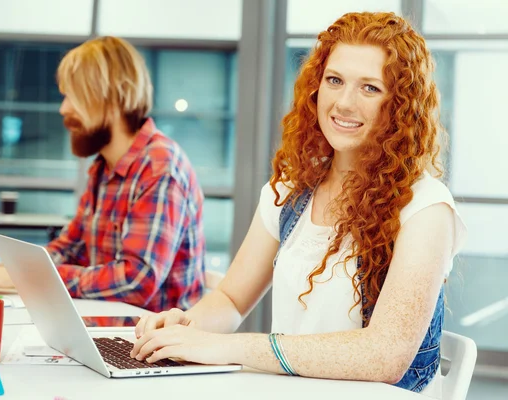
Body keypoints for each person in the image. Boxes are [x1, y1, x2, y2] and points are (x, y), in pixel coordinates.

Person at [130, 12, 466, 397]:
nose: (344, 103)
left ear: (401, 105)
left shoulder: (426, 208)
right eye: (334, 81)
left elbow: (384, 356)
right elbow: (231, 298)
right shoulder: (290, 189)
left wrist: (227, 348)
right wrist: (185, 328)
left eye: (370, 88)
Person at [0, 37, 206, 312]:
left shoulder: (159, 166)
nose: (63, 109)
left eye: (72, 96)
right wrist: (0, 270)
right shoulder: (103, 168)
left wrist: (23, 277)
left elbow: (136, 282)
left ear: (110, 97)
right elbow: (71, 248)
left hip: (153, 340)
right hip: (110, 321)